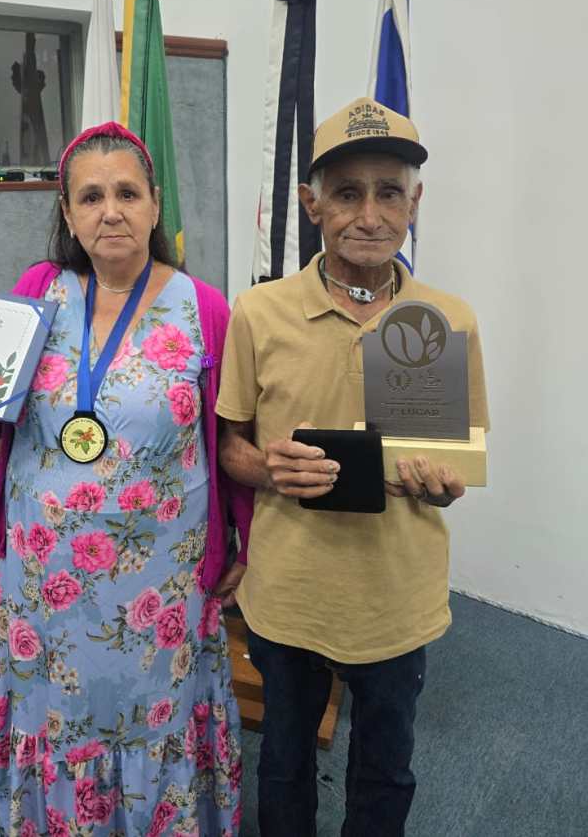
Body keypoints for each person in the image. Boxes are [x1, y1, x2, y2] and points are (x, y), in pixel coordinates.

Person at [0, 121, 251, 837]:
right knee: (58, 711)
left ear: (155, 204)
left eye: (127, 193)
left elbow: (227, 439)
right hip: (46, 572)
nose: (110, 212)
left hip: (160, 581)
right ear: (67, 211)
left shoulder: (205, 309)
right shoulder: (40, 292)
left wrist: (243, 541)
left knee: (153, 709)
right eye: (90, 197)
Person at [216, 97, 490, 837]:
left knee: (386, 767)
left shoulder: (448, 321)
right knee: (283, 762)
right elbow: (229, 446)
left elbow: (457, 468)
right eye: (345, 193)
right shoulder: (258, 313)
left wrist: (445, 486)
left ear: (414, 204)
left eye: (389, 193)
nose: (369, 215)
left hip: (396, 597)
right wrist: (269, 469)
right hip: (290, 593)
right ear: (312, 206)